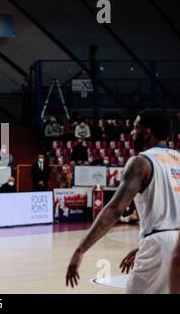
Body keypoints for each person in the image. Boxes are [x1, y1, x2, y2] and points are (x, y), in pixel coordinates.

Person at [66, 110, 180, 294]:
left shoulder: (141, 162)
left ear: (147, 132)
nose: (131, 133)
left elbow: (115, 209)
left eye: (135, 127)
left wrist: (80, 250)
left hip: (159, 246)